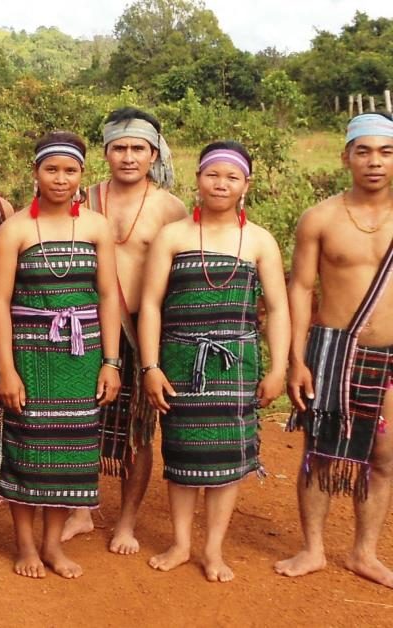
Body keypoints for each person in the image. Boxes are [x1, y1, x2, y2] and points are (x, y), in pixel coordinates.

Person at [139, 141, 290, 582]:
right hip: (181, 362)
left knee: (227, 460)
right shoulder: (175, 235)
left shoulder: (259, 240)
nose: (220, 184)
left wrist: (277, 366)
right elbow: (150, 305)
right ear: (198, 178)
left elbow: (277, 309)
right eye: (212, 175)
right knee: (183, 454)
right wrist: (151, 366)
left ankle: (213, 549)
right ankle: (182, 543)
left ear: (246, 184)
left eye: (231, 177)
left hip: (235, 363)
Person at [0, 131, 121, 580]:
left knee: (70, 449)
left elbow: (107, 296)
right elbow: (0, 303)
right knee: (28, 446)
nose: (60, 179)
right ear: (35, 173)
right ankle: (25, 545)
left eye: (69, 170)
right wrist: (6, 369)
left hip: (81, 356)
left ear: (83, 176)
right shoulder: (15, 229)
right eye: (51, 169)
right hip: (30, 355)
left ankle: (52, 546)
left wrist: (111, 361)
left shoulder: (97, 226)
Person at [62, 108, 187, 553]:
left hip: (141, 334)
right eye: (120, 148)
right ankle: (78, 512)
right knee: (77, 422)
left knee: (138, 432)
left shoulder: (171, 209)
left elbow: (176, 282)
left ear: (154, 154)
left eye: (138, 148)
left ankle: (127, 522)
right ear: (106, 152)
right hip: (81, 331)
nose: (128, 157)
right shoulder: (81, 197)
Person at [276, 112, 393, 588]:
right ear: (345, 156)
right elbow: (301, 289)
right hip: (333, 348)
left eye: (385, 152)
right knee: (319, 452)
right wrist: (296, 358)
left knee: (385, 456)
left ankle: (365, 552)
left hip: (390, 352)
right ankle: (313, 548)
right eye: (363, 151)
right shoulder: (320, 218)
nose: (374, 162)